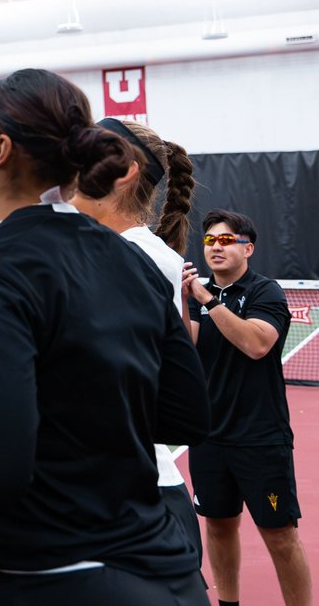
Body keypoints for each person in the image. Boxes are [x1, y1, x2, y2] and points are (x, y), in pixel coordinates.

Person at [0, 68, 211, 605]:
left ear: (0, 150)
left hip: (56, 580)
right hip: (166, 572)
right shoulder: (131, 261)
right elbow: (185, 416)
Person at [70, 117, 203, 570]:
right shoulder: (140, 251)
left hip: (126, 498)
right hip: (115, 489)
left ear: (122, 172)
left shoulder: (132, 255)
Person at [183, 209, 312, 606]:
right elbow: (188, 343)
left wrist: (206, 299)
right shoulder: (196, 294)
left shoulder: (265, 292)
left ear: (248, 248)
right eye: (209, 241)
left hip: (260, 438)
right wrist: (174, 299)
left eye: (226, 240)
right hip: (209, 437)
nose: (216, 247)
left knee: (279, 535)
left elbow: (256, 345)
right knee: (219, 527)